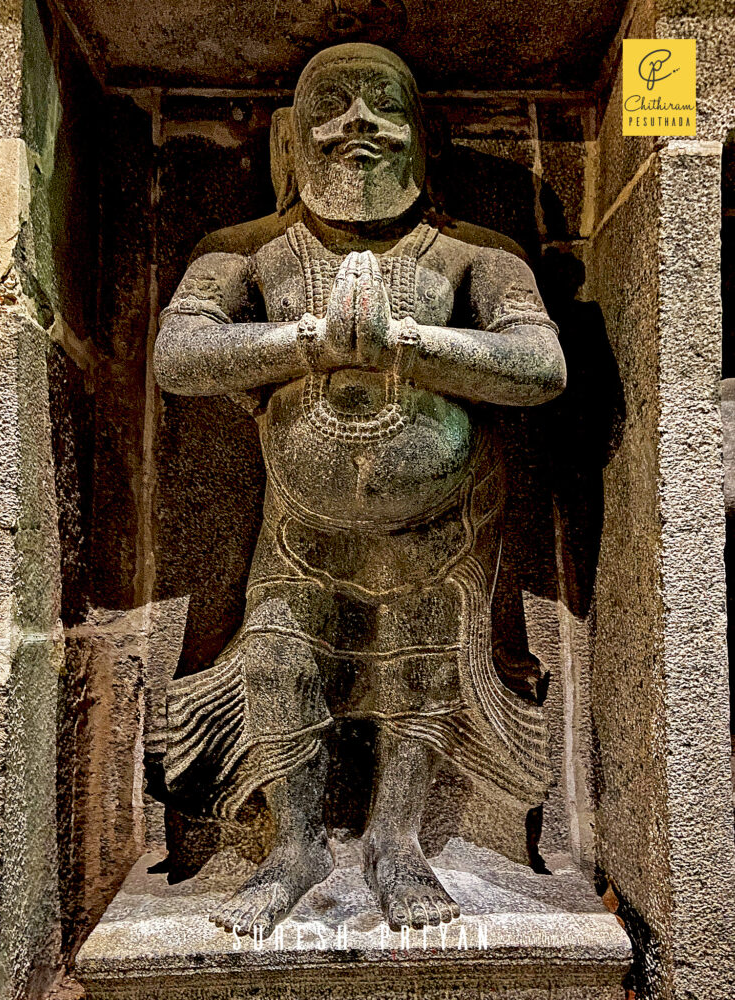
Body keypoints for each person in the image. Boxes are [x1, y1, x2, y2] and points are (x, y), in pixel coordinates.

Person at [153, 42, 566, 939]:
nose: (357, 126)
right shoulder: (247, 255)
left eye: (383, 105)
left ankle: (396, 840)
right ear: (288, 141)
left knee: (421, 671)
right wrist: (309, 341)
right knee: (278, 662)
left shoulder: (471, 257)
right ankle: (294, 846)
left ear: (425, 138)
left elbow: (540, 366)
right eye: (330, 106)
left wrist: (406, 345)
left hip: (441, 529)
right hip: (300, 530)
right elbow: (178, 354)